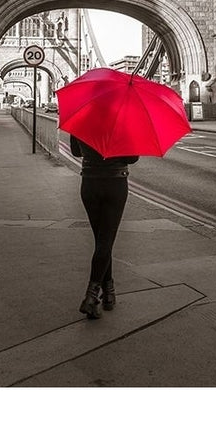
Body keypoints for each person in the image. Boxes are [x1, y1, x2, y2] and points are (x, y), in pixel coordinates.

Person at [69, 134, 139, 319]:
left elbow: (75, 152)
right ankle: (91, 298)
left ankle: (109, 293)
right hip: (114, 185)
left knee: (101, 240)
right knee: (105, 241)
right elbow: (132, 158)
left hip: (89, 184)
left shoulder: (83, 118)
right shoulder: (122, 124)